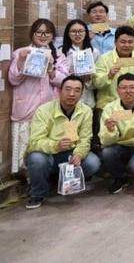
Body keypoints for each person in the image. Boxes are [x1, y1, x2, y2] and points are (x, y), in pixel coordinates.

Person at [24, 75, 101, 209]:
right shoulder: (44, 110)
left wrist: (79, 154)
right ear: (60, 91)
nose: (72, 94)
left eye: (77, 90)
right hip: (47, 154)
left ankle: (60, 181)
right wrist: (55, 145)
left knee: (93, 162)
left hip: (69, 154)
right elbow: (35, 142)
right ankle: (38, 193)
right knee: (37, 159)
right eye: (68, 89)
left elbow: (85, 139)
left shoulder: (86, 111)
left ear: (81, 94)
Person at [8, 19, 67, 174]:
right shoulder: (20, 52)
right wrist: (22, 60)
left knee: (46, 146)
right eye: (39, 32)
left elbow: (64, 82)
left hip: (48, 109)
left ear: (52, 36)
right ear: (32, 34)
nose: (43, 35)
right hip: (26, 107)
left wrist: (51, 69)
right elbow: (13, 79)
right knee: (25, 146)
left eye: (47, 32)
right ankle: (25, 176)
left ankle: (44, 174)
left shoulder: (58, 55)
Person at [93, 25, 134, 112]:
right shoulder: (104, 59)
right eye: (123, 42)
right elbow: (97, 83)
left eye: (130, 42)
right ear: (115, 42)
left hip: (133, 105)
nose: (127, 45)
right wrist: (109, 75)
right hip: (108, 106)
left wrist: (133, 101)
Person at [59, 19, 99, 109]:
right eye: (73, 31)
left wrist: (88, 79)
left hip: (87, 100)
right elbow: (57, 77)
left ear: (86, 33)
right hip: (66, 100)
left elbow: (98, 80)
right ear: (68, 33)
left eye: (81, 31)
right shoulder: (61, 52)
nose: (77, 34)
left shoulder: (94, 52)